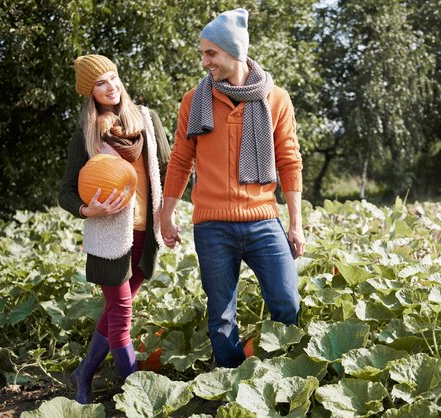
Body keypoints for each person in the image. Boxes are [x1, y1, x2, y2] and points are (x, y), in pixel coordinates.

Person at [160, 8, 305, 368]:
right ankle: (232, 383)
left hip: (262, 219)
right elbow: (180, 161)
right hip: (212, 225)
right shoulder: (195, 101)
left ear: (234, 51)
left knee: (287, 301)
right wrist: (166, 215)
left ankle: (277, 371)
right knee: (221, 318)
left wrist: (296, 222)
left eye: (211, 53)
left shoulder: (275, 100)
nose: (204, 61)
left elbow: (289, 161)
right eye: (203, 53)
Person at [59, 54, 170, 403]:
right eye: (101, 83)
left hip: (144, 235)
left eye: (113, 77)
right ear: (90, 92)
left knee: (113, 313)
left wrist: (168, 217)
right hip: (108, 238)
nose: (111, 86)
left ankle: (83, 374)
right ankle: (137, 392)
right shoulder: (87, 134)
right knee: (122, 313)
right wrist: (85, 209)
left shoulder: (148, 122)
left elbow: (169, 173)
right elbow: (65, 191)